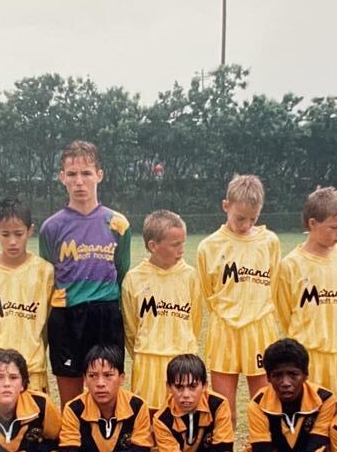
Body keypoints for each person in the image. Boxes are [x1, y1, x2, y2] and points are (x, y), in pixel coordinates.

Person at [39, 141, 131, 406]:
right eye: (72, 174)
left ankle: (106, 444)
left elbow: (122, 272)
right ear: (62, 178)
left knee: (106, 394)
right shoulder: (51, 228)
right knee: (71, 400)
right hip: (67, 318)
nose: (79, 181)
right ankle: (71, 445)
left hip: (105, 315)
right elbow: (48, 275)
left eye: (86, 173)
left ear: (99, 175)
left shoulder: (117, 223)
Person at [196, 174, 281, 422]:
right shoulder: (208, 246)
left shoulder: (270, 242)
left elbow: (273, 285)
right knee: (224, 410)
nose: (245, 225)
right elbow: (208, 291)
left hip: (260, 330)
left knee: (264, 406)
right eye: (239, 218)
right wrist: (230, 313)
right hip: (224, 331)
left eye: (252, 219)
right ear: (226, 206)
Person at [275, 187, 337, 398]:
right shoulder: (290, 265)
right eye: (334, 227)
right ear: (312, 224)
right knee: (311, 413)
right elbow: (286, 315)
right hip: (309, 355)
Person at [121, 210, 202, 412]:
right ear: (153, 246)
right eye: (175, 245)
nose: (182, 250)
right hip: (148, 362)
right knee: (147, 419)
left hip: (183, 360)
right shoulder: (134, 278)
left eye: (183, 243)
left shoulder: (190, 275)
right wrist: (145, 350)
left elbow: (196, 321)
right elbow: (130, 328)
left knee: (182, 417)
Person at [0, 198, 54, 394]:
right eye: (5, 234)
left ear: (30, 231)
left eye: (19, 234)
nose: (12, 241)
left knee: (34, 424)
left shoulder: (44, 272)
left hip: (32, 371)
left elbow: (47, 327)